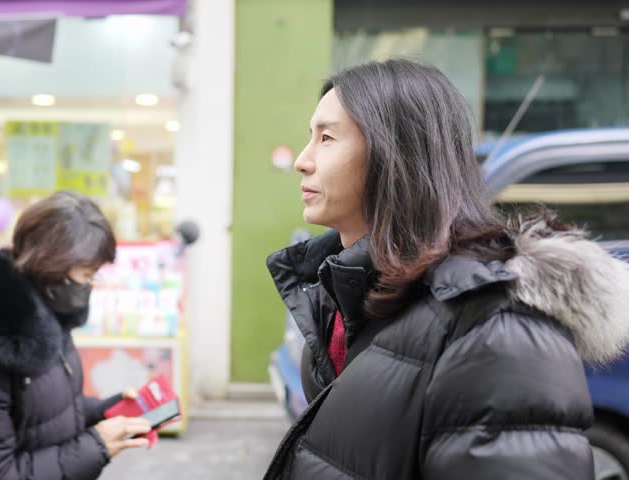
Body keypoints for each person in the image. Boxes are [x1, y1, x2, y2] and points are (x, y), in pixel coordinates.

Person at [264, 59, 629, 479]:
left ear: (395, 153)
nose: (303, 160)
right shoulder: (351, 300)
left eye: (326, 138)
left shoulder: (495, 328)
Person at [0, 191, 152, 480]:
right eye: (87, 275)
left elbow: (47, 411)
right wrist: (95, 445)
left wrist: (107, 412)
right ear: (53, 266)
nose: (91, 285)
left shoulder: (47, 315)